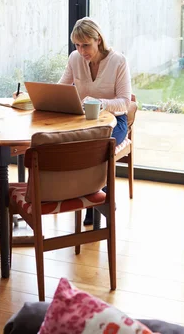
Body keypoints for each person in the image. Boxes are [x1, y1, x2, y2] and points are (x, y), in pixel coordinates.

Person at [59, 17, 132, 225]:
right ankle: (94, 200)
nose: (82, 51)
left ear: (98, 39)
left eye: (86, 45)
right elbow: (62, 88)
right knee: (70, 144)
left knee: (95, 147)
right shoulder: (75, 59)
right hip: (85, 121)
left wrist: (100, 103)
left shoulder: (118, 61)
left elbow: (125, 103)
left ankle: (96, 201)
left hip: (114, 122)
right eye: (77, 45)